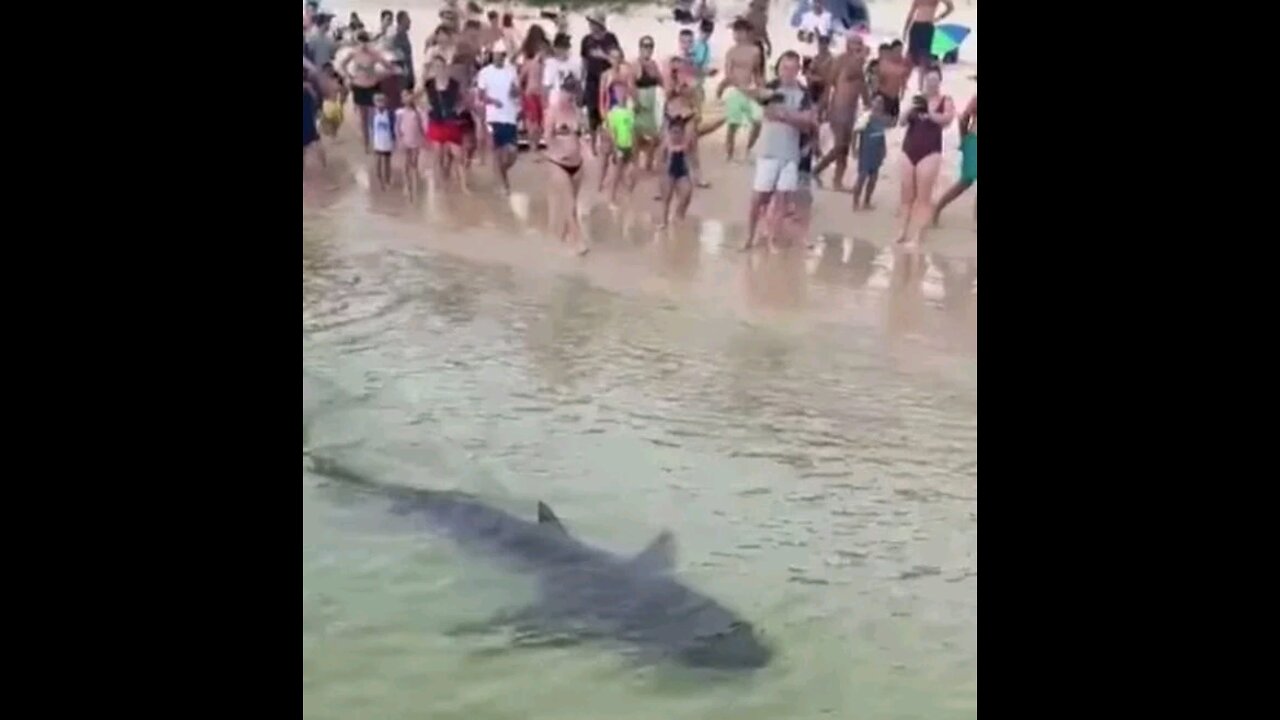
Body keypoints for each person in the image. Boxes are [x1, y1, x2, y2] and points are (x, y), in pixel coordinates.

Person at [745, 51, 815, 252]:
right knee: (759, 197)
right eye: (785, 68)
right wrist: (794, 117)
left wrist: (785, 115)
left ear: (798, 70)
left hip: (790, 153)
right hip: (768, 150)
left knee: (783, 199)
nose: (789, 72)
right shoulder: (770, 88)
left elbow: (809, 119)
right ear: (778, 68)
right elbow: (767, 112)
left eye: (793, 69)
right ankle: (749, 236)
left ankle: (772, 239)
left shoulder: (804, 93)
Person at [897, 66, 954, 247]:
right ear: (923, 81)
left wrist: (929, 111)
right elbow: (902, 121)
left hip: (930, 152)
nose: (931, 84)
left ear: (939, 82)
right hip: (909, 149)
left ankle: (918, 235)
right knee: (906, 195)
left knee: (923, 197)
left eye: (934, 81)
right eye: (928, 80)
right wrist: (913, 107)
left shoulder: (945, 100)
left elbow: (946, 120)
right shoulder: (917, 99)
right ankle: (903, 231)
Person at [812, 31, 869, 190]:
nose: (857, 46)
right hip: (838, 108)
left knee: (844, 149)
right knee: (840, 146)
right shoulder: (842, 61)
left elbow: (862, 85)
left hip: (851, 111)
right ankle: (816, 170)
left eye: (859, 43)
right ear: (847, 44)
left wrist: (868, 104)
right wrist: (823, 107)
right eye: (854, 43)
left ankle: (837, 181)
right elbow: (829, 85)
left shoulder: (859, 63)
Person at [542, 76, 589, 255]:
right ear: (562, 91)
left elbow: (583, 135)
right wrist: (557, 149)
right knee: (569, 206)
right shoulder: (553, 111)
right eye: (567, 92)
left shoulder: (577, 112)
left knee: (572, 205)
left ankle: (560, 241)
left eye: (572, 94)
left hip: (577, 164)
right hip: (558, 163)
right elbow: (547, 136)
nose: (569, 97)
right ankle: (579, 242)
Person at [340, 31, 394, 152]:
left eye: (365, 42)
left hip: (372, 86)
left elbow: (388, 66)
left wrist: (380, 76)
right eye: (361, 42)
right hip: (359, 86)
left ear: (368, 42)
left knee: (375, 116)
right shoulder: (353, 53)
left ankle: (377, 141)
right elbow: (342, 65)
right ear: (357, 42)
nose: (363, 45)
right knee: (363, 118)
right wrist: (349, 76)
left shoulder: (374, 53)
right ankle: (366, 144)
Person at [718, 18, 764, 162]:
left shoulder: (755, 51)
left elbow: (757, 72)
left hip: (750, 89)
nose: (737, 35)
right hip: (735, 89)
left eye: (740, 32)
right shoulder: (731, 52)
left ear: (747, 33)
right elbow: (728, 73)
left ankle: (749, 148)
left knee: (758, 121)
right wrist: (735, 86)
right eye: (735, 32)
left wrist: (761, 89)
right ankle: (729, 152)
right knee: (733, 124)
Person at [477, 48, 521, 194]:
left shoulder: (512, 70)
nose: (498, 58)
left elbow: (517, 91)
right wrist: (492, 101)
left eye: (501, 55)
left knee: (512, 153)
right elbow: (481, 95)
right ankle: (503, 185)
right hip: (493, 117)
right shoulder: (485, 73)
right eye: (496, 55)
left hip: (510, 116)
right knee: (496, 151)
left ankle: (501, 173)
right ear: (492, 56)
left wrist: (515, 92)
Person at [424, 55, 470, 190]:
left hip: (451, 121)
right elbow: (422, 97)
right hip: (436, 120)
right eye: (435, 66)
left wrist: (459, 108)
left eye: (440, 66)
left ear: (445, 67)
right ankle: (443, 180)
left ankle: (464, 186)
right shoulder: (429, 84)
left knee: (458, 155)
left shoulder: (454, 83)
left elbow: (463, 98)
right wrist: (426, 106)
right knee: (438, 154)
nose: (438, 69)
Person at [932, 91, 976, 225]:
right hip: (974, 142)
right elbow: (963, 119)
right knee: (965, 182)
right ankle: (937, 209)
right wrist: (964, 139)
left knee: (965, 182)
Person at [580, 11, 621, 155]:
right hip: (591, 80)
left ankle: (610, 142)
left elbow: (618, 58)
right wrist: (582, 79)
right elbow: (584, 61)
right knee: (592, 112)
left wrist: (603, 55)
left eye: (593, 23)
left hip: (608, 80)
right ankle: (593, 145)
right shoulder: (586, 40)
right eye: (590, 23)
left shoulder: (610, 39)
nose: (591, 26)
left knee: (608, 110)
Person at [657, 95, 696, 228]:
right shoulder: (667, 142)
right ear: (669, 132)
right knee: (666, 199)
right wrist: (660, 172)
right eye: (674, 132)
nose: (676, 135)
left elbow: (691, 156)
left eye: (679, 133)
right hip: (669, 172)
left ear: (683, 133)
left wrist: (694, 171)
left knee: (687, 193)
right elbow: (661, 157)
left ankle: (679, 214)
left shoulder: (686, 140)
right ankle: (664, 222)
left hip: (682, 171)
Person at [901, 0, 954, 91]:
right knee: (911, 57)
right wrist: (905, 30)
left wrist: (939, 17)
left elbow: (950, 7)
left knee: (923, 58)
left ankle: (920, 87)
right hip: (918, 26)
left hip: (925, 26)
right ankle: (905, 82)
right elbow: (911, 13)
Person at [852, 93, 889, 210]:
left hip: (876, 153)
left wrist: (884, 149)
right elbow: (855, 132)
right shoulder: (866, 117)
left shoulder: (882, 118)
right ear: (872, 102)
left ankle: (867, 201)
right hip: (866, 152)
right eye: (877, 102)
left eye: (881, 103)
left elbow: (882, 135)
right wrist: (854, 149)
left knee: (873, 179)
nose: (879, 105)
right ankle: (855, 202)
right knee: (862, 177)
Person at [634, 36, 663, 171]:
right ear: (640, 48)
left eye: (650, 46)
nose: (648, 49)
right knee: (636, 136)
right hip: (639, 103)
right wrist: (634, 102)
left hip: (651, 104)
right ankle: (634, 164)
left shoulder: (654, 64)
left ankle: (649, 163)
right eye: (645, 46)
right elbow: (631, 84)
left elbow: (661, 82)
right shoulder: (635, 64)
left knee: (654, 137)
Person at [519, 25, 550, 143]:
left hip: (530, 90)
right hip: (540, 92)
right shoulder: (545, 60)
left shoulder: (529, 59)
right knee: (538, 122)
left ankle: (534, 147)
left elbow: (521, 77)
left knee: (533, 121)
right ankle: (535, 145)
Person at [396, 89, 425, 198]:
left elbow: (421, 126)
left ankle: (414, 183)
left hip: (416, 140)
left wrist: (424, 139)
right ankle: (406, 184)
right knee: (406, 163)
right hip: (405, 140)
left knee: (414, 162)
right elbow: (397, 127)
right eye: (404, 96)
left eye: (408, 95)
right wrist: (399, 139)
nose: (406, 98)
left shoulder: (417, 112)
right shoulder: (400, 112)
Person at [543, 32, 583, 109]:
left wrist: (580, 100)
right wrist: (545, 105)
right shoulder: (550, 63)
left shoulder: (575, 62)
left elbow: (578, 83)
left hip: (571, 103)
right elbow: (546, 85)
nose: (562, 51)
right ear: (555, 48)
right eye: (560, 48)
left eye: (565, 48)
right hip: (555, 103)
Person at [370, 92, 396, 189]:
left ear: (386, 102)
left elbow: (393, 127)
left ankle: (387, 179)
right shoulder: (373, 114)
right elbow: (371, 128)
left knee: (387, 161)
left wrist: (394, 139)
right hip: (377, 141)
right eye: (378, 101)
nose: (380, 104)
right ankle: (379, 180)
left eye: (382, 101)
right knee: (378, 161)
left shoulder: (390, 114)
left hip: (387, 142)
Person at [303, 68, 326, 169]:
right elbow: (316, 99)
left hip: (308, 118)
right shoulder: (309, 86)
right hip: (309, 118)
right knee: (316, 142)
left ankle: (324, 165)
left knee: (314, 143)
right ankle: (324, 166)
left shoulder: (308, 86)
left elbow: (315, 99)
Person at [390, 11, 415, 92]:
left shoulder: (404, 35)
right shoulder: (397, 36)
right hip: (403, 76)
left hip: (407, 74)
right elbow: (397, 57)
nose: (410, 21)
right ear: (401, 21)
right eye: (407, 19)